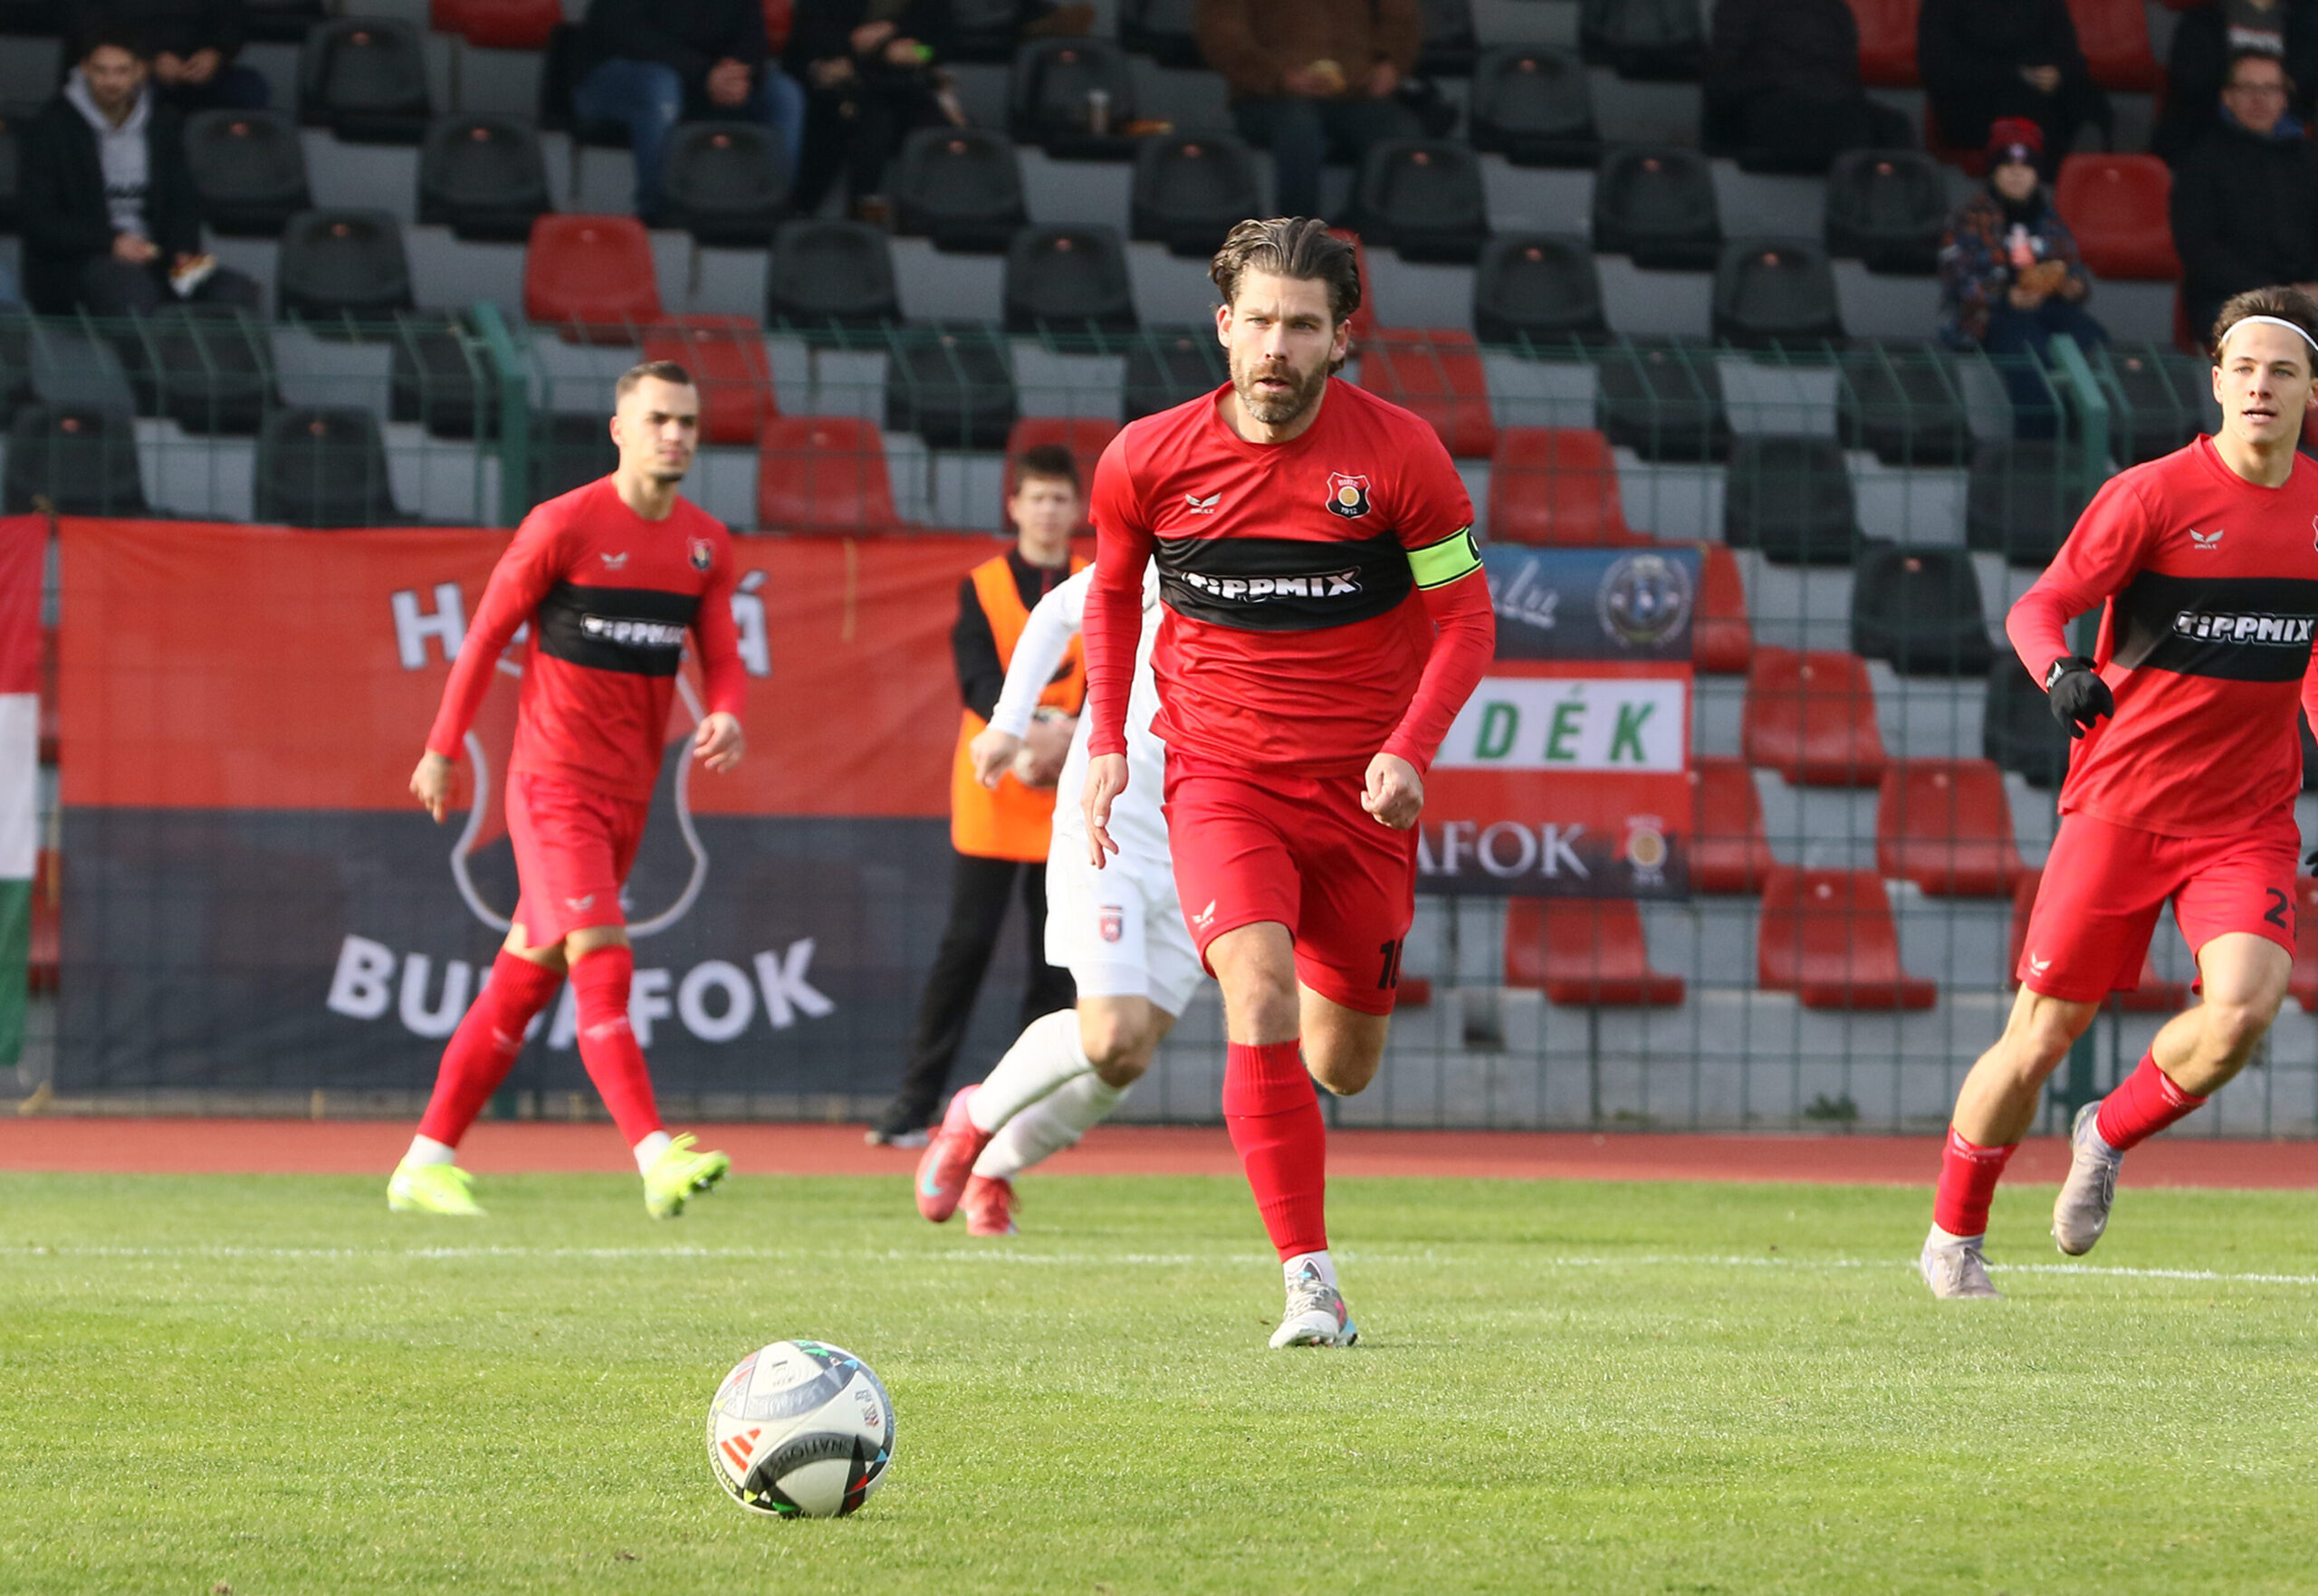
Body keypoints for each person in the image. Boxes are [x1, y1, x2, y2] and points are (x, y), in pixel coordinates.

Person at [1080, 218, 1495, 1348]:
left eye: (1302, 326)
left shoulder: (1401, 456)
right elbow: (1111, 595)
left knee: (1341, 1064)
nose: (1276, 345)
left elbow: (1465, 619)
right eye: (1258, 321)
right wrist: (1107, 735)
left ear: (1340, 339)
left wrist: (1410, 747)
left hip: (1362, 797)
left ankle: (1327, 989)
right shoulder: (1146, 458)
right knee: (1255, 995)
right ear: (1224, 326)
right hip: (1220, 777)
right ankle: (1311, 1283)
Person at [1920, 286, 2318, 1299]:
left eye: (2282, 370)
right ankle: (1954, 1238)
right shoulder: (2151, 495)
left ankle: (2105, 1132)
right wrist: (2059, 668)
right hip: (2121, 809)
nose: (2261, 385)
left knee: (2242, 1011)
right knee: (2039, 1037)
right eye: (2243, 367)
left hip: (2247, 820)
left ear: (2311, 391)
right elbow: (2039, 602)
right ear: (2215, 382)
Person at [390, 361, 745, 1220]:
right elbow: (485, 637)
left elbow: (724, 656)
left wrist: (728, 713)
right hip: (552, 784)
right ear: (619, 429)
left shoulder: (704, 544)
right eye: (658, 418)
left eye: (688, 422)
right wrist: (441, 748)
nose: (675, 434)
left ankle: (424, 1161)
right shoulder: (565, 524)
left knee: (524, 978)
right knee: (602, 953)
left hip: (629, 797)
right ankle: (655, 1154)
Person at [912, 553, 1197, 1236]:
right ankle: (974, 1115)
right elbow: (1053, 613)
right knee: (1109, 1030)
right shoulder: (1182, 546)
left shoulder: (1306, 571)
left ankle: (994, 1168)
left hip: (1204, 841)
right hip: (1112, 826)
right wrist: (1008, 724)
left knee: (1125, 1058)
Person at [865, 445, 1084, 1147]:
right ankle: (914, 1102)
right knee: (967, 945)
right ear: (1014, 506)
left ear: (1078, 509)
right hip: (997, 783)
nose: (1048, 510)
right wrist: (1027, 738)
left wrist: (1067, 737)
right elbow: (978, 677)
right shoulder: (982, 586)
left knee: (1057, 958)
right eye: (1037, 497)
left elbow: (1114, 671)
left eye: (1060, 498)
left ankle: (1028, 1108)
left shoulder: (1095, 581)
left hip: (1069, 785)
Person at [17, 24, 262, 318]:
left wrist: (182, 250)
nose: (111, 81)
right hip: (81, 263)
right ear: (84, 69)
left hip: (160, 258)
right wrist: (111, 243)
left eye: (121, 71)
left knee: (233, 290)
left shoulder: (163, 122)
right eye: (101, 71)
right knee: (133, 291)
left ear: (140, 71)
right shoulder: (51, 126)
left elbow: (183, 200)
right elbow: (39, 217)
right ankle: (160, 349)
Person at [1938, 119, 2106, 438]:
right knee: (2029, 354)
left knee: (2092, 338)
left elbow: (2074, 270)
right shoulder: (1969, 217)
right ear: (1993, 171)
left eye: (2026, 166)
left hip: (2048, 308)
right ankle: (2038, 445)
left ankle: (2094, 435)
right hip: (1989, 315)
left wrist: (2071, 287)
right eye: (2007, 165)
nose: (2017, 173)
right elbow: (1959, 281)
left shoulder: (2049, 217)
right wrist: (2005, 295)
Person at [573, 0, 808, 224]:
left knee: (785, 95)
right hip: (617, 76)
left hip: (703, 79)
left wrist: (738, 73)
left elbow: (753, 38)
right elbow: (621, 31)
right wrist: (703, 73)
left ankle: (773, 206)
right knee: (661, 87)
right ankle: (659, 211)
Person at [1194, 0, 1421, 223]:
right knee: (1298, 129)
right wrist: (1279, 76)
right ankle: (1298, 233)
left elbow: (1400, 17)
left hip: (1356, 92)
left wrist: (1391, 63)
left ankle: (1365, 229)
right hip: (1267, 96)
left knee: (1399, 131)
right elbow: (1222, 33)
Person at [2172, 51, 2318, 337]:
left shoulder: (2309, 159)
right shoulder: (2201, 161)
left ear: (2284, 98)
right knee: (2281, 338)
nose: (2259, 99)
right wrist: (2279, 293)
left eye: (2270, 89)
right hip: (2231, 300)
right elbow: (2200, 252)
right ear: (2227, 97)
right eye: (2247, 88)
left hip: (2309, 296)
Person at [784, 0, 958, 222]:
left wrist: (917, 52)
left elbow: (941, 46)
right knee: (874, 123)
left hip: (902, 86)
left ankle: (930, 220)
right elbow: (809, 38)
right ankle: (855, 219)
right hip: (839, 85)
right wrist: (866, 45)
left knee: (940, 133)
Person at [1702, 0, 1914, 172]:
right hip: (1840, 129)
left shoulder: (1738, 7)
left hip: (1773, 127)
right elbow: (1850, 83)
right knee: (1895, 125)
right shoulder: (1835, 9)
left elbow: (1721, 84)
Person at [1920, 0, 2109, 159]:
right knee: (2024, 102)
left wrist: (2058, 73)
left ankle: (2088, 161)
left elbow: (2070, 55)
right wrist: (2016, 75)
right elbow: (1939, 67)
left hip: (2040, 90)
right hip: (1973, 96)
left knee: (2083, 94)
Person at [2153, 0, 2318, 164]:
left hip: (2284, 131)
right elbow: (2191, 84)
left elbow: (2305, 82)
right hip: (2211, 129)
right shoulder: (2202, 21)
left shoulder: (2304, 21)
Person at [68, 0, 269, 112]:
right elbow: (89, 25)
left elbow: (231, 15)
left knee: (249, 89)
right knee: (126, 94)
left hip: (199, 67)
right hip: (130, 66)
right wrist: (147, 60)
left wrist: (215, 52)